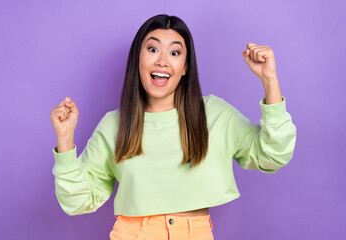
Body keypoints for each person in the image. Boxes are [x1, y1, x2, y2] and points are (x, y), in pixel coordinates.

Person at [50, 14, 296, 240]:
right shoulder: (114, 125)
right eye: (153, 49)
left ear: (186, 67)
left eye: (175, 53)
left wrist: (269, 81)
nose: (162, 61)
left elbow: (272, 155)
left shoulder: (214, 114)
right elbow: (78, 202)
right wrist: (65, 139)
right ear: (138, 58)